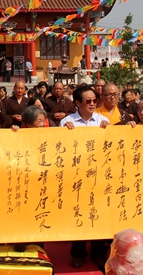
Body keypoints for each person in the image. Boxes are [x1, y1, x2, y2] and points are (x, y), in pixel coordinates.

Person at [59, 85, 109, 269]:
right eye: (87, 101)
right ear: (77, 103)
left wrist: (108, 132)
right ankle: (78, 253)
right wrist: (65, 134)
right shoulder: (67, 122)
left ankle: (97, 252)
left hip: (99, 174)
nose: (92, 104)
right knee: (78, 213)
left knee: (98, 214)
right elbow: (61, 149)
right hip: (77, 175)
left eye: (95, 100)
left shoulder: (103, 121)